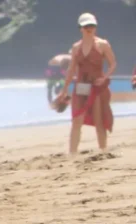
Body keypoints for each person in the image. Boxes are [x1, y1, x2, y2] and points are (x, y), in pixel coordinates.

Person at [55, 13, 116, 155]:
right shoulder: (76, 47)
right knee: (77, 120)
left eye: (92, 25)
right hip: (81, 86)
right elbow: (71, 70)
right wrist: (64, 90)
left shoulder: (103, 44)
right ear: (80, 28)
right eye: (86, 26)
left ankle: (103, 151)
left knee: (99, 120)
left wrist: (105, 77)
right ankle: (72, 154)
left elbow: (113, 64)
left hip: (97, 86)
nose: (90, 28)